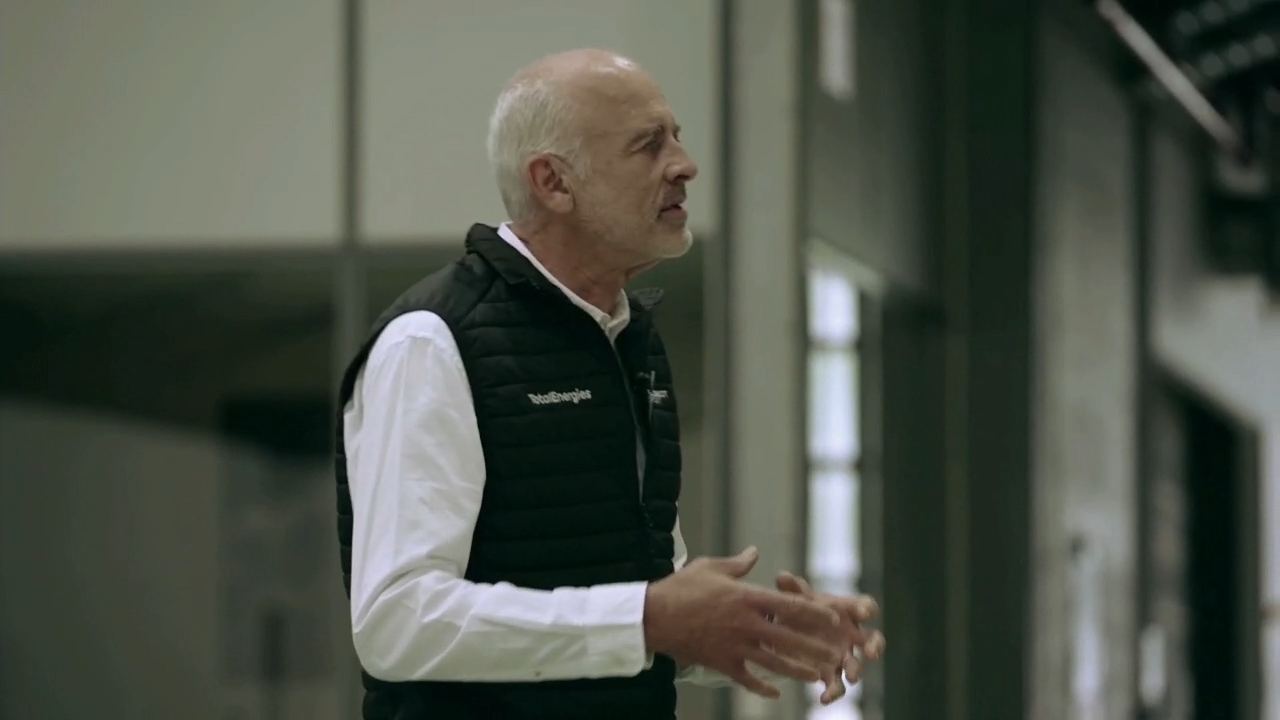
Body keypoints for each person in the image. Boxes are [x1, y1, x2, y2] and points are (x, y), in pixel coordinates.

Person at [334, 49, 885, 720]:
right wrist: (648, 618)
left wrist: (758, 628)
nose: (685, 165)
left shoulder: (628, 339)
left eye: (677, 137)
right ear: (553, 183)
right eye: (649, 145)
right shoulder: (430, 343)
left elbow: (633, 602)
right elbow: (396, 622)